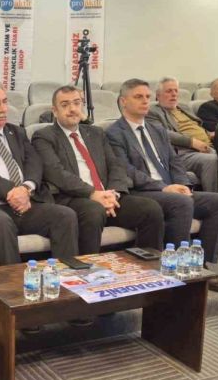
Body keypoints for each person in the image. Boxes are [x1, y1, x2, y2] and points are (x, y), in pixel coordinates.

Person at [105, 79, 218, 292]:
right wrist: (164, 187)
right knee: (180, 203)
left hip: (171, 189)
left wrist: (183, 184)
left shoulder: (157, 129)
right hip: (142, 192)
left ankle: (200, 263)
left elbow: (175, 161)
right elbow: (125, 170)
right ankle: (178, 265)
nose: (145, 101)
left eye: (147, 97)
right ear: (123, 101)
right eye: (138, 97)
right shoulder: (114, 133)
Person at [0, 82, 79, 265]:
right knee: (1, 224)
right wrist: (12, 191)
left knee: (65, 215)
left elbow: (34, 162)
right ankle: (13, 280)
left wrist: (26, 188)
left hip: (26, 201)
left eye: (5, 102)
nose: (3, 109)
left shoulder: (17, 132)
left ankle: (66, 275)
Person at [32, 85, 164, 254]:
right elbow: (56, 173)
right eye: (65, 105)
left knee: (150, 209)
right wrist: (93, 194)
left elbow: (115, 165)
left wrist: (113, 194)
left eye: (76, 103)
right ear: (55, 111)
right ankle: (88, 268)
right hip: (73, 198)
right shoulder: (44, 136)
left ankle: (147, 265)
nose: (72, 109)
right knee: (93, 211)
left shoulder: (96, 133)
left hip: (107, 196)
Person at [147, 77, 218, 192]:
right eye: (169, 91)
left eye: (176, 90)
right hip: (182, 153)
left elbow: (197, 126)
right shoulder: (152, 111)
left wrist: (208, 135)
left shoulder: (184, 107)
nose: (174, 94)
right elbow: (162, 133)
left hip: (207, 147)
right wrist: (192, 142)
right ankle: (214, 199)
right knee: (212, 160)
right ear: (158, 95)